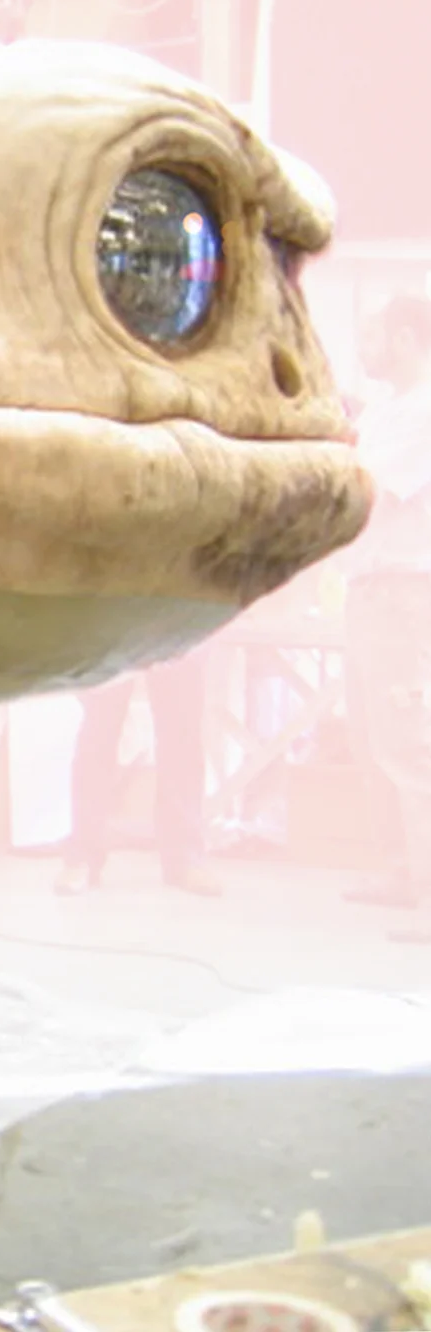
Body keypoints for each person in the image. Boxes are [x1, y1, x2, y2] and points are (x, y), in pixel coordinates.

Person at [339, 294, 431, 940]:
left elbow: (365, 488)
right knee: (374, 739)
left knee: (410, 743)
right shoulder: (384, 412)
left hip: (406, 594)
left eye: (372, 337)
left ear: (404, 338)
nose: (363, 349)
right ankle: (401, 870)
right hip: (368, 592)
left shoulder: (424, 411)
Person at [54, 646, 223, 896]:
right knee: (98, 731)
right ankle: (82, 855)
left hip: (176, 628)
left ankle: (186, 858)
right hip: (113, 628)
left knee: (182, 733)